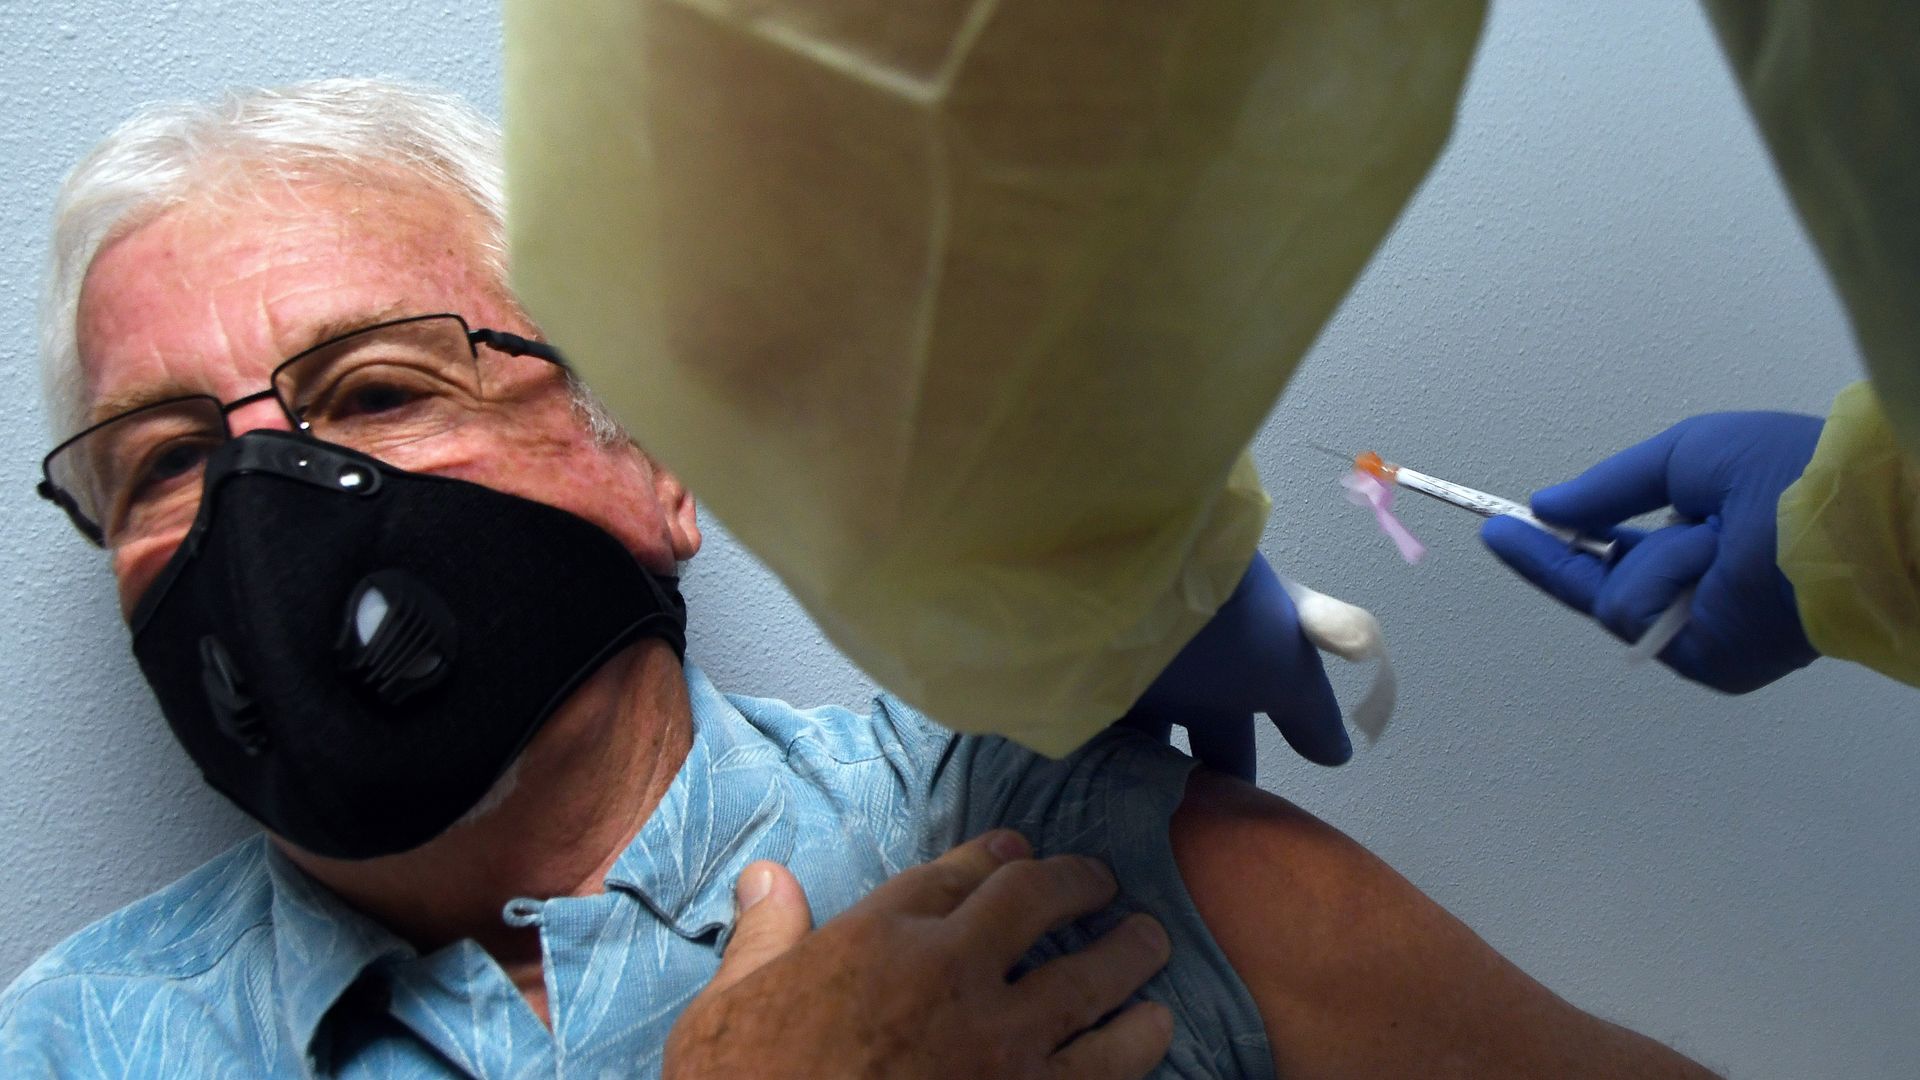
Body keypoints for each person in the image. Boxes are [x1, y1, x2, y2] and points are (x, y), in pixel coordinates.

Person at [0, 79, 1716, 1079]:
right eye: (165, 461)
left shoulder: (1042, 842)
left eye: (376, 390)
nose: (266, 513)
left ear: (661, 456)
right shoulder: (84, 1041)